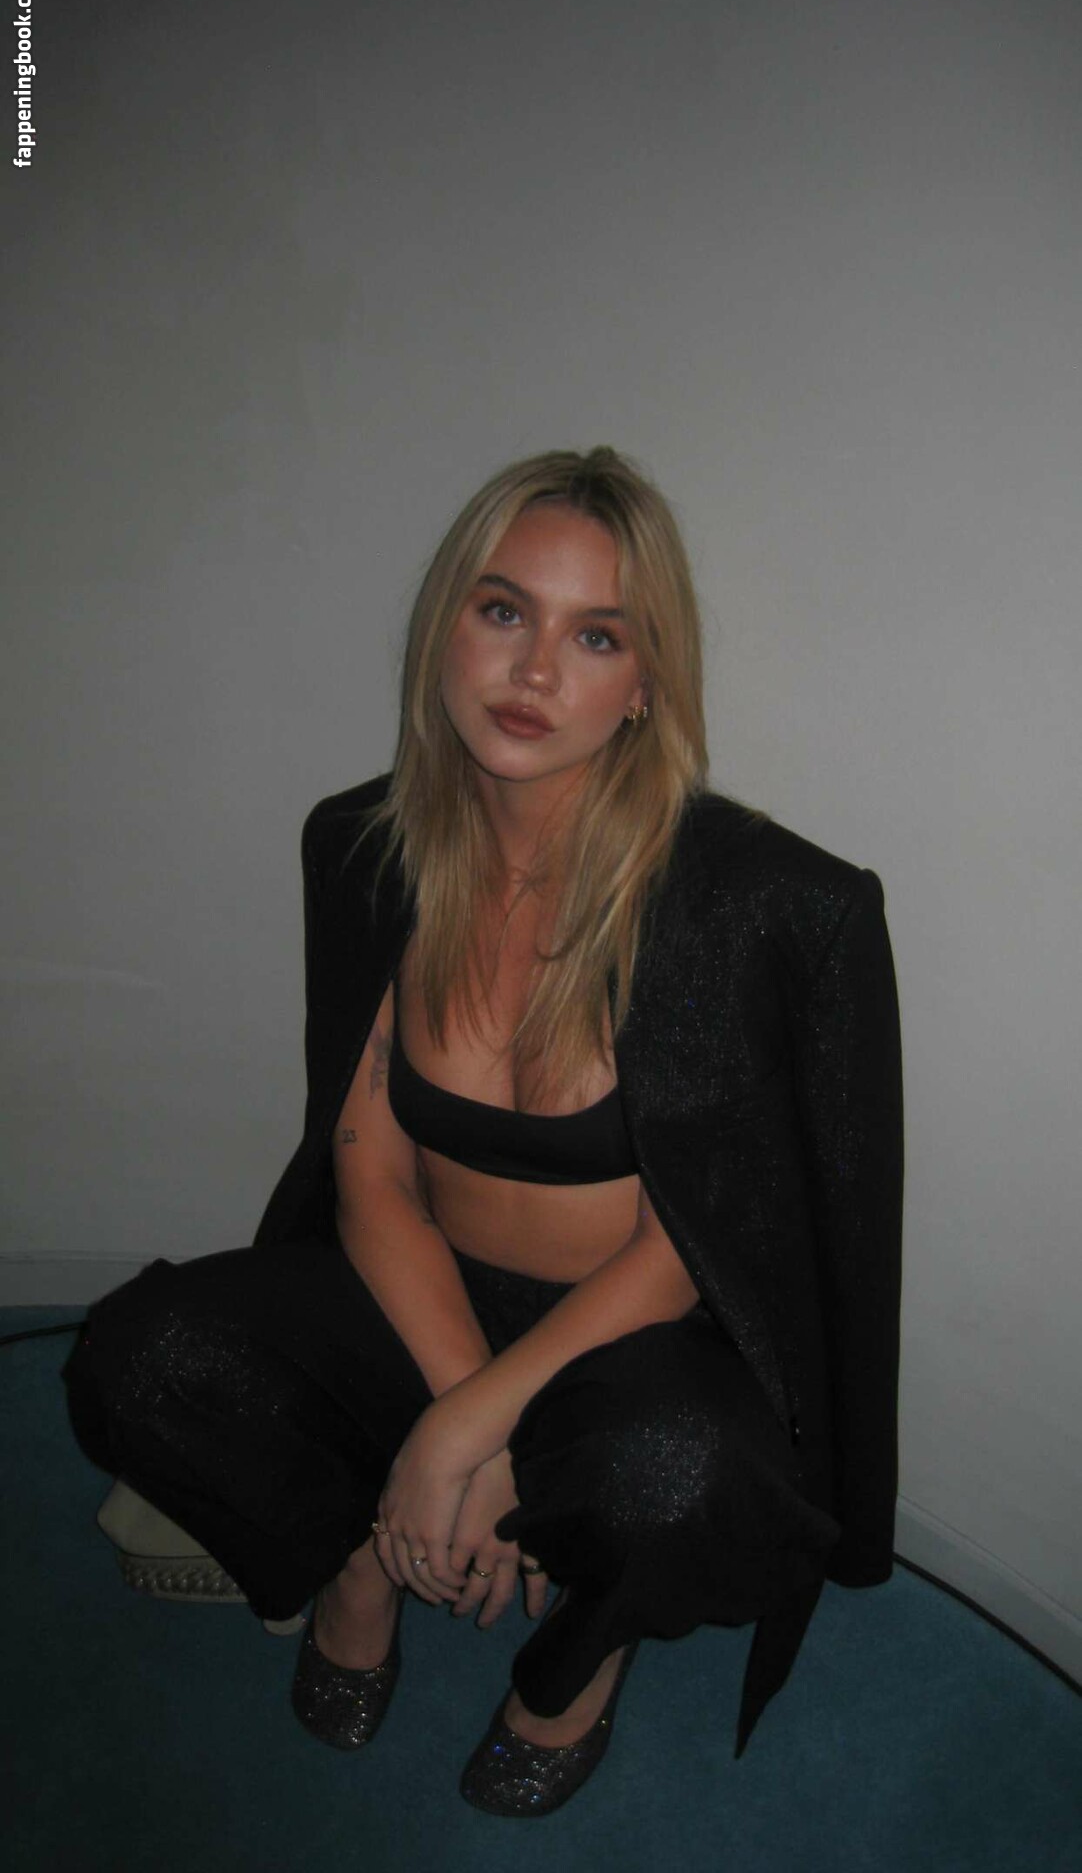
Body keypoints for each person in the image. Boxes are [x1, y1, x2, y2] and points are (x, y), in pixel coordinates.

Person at [65, 446, 904, 1818]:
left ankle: (574, 1664)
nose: (533, 670)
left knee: (681, 1481)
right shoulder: (368, 847)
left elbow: (694, 1244)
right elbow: (370, 1171)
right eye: (503, 610)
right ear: (443, 626)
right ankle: (350, 1562)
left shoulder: (749, 904)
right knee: (136, 1360)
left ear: (647, 682)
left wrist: (473, 1431)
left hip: (629, 1333)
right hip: (422, 1290)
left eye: (596, 636)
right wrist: (457, 1425)